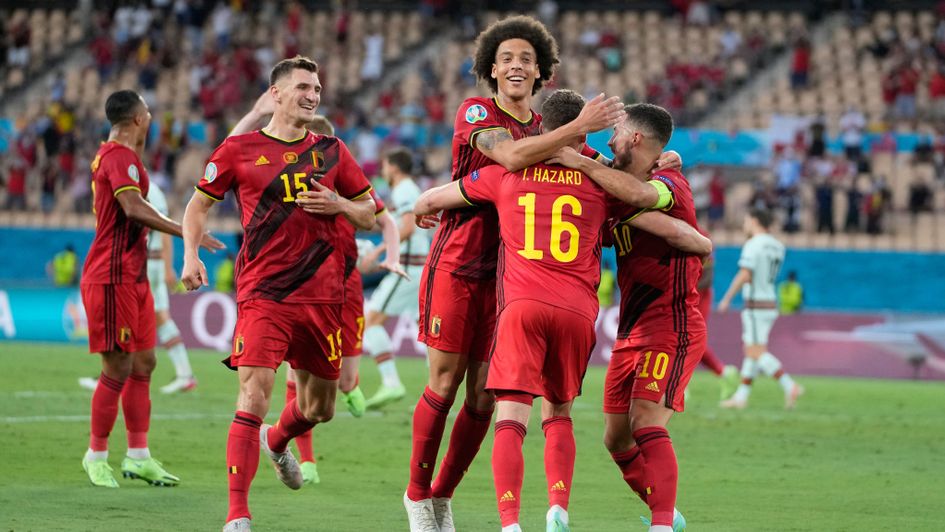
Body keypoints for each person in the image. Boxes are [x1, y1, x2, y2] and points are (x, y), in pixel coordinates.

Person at [404, 16, 643, 531]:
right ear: (492, 68)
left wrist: (657, 165)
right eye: (507, 58)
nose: (516, 65)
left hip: (514, 280)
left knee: (486, 397)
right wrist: (580, 127)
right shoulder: (477, 111)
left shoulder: (547, 131)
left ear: (541, 75)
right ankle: (416, 496)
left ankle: (442, 496)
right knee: (443, 386)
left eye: (526, 60)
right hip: (460, 265)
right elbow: (509, 155)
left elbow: (606, 174)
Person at [180, 56, 377, 531]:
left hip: (324, 297)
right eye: (304, 87)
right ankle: (237, 515)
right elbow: (197, 206)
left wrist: (338, 204)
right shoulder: (238, 150)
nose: (314, 95)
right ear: (276, 94)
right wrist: (189, 256)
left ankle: (277, 440)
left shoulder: (332, 151)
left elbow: (370, 212)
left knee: (319, 409)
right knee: (252, 395)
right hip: (264, 294)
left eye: (318, 88)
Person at [549, 102, 712, 532]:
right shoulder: (623, 187)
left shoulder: (669, 183)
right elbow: (612, 181)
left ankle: (660, 524)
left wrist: (576, 161)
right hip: (631, 330)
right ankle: (669, 513)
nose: (609, 141)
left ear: (636, 139)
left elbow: (642, 195)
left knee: (645, 418)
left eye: (616, 133)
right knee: (615, 437)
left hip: (671, 325)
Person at [228, 95, 405, 486]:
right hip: (289, 293)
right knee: (284, 380)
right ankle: (301, 464)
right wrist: (256, 113)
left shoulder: (340, 177)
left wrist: (388, 253)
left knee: (332, 394)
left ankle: (276, 439)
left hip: (343, 291)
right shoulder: (281, 179)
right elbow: (230, 155)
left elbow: (380, 218)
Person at [79, 89, 223, 489]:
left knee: (144, 364)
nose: (151, 118)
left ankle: (139, 456)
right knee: (118, 367)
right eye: (148, 112)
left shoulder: (121, 157)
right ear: (138, 119)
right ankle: (96, 455)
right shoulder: (118, 157)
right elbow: (133, 208)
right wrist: (186, 231)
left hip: (134, 273)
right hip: (111, 277)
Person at [361, 148, 432, 409]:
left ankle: (391, 383)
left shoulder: (404, 189)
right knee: (425, 334)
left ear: (393, 167)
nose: (382, 170)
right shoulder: (410, 189)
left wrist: (380, 250)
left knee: (371, 322)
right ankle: (435, 391)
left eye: (384, 165)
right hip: (419, 267)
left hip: (407, 269)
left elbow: (407, 227)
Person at [718, 208, 802, 410]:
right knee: (752, 352)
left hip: (756, 303)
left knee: (754, 351)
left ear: (755, 221)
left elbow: (746, 274)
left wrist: (727, 298)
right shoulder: (777, 246)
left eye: (746, 221)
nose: (744, 225)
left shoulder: (753, 244)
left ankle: (789, 385)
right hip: (770, 302)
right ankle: (741, 397)